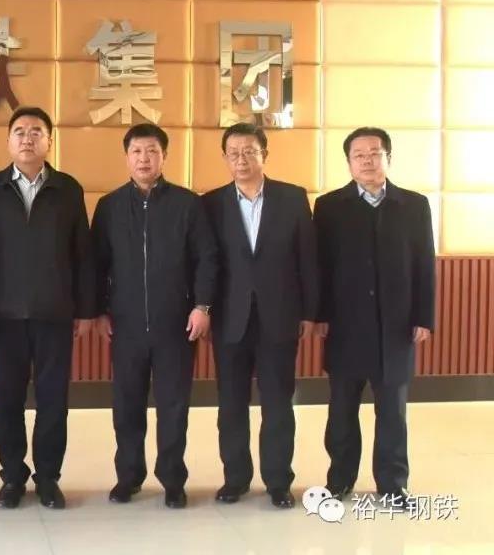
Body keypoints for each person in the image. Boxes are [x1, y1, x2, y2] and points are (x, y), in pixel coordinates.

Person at [0, 107, 94, 510]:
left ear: (49, 141)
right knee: (6, 401)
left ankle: (48, 478)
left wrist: (84, 309)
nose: (28, 138)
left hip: (54, 314)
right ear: (8, 141)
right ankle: (12, 477)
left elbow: (82, 254)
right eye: (20, 131)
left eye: (36, 132)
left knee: (53, 401)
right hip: (3, 315)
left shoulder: (68, 189)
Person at [91, 123, 217, 509]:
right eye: (137, 151)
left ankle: (173, 480)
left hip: (176, 324)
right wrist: (99, 310)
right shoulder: (110, 206)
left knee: (173, 406)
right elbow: (96, 263)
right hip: (126, 325)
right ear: (126, 157)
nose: (144, 159)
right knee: (126, 405)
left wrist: (202, 305)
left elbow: (207, 258)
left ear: (164, 156)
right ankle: (128, 477)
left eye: (152, 151)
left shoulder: (188, 204)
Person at [314, 127, 435, 504]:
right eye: (359, 155)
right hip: (345, 326)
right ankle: (339, 480)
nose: (367, 161)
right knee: (341, 412)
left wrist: (424, 316)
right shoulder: (329, 206)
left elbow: (424, 264)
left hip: (396, 327)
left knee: (393, 414)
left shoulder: (414, 205)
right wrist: (319, 314)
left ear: (388, 158)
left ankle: (393, 484)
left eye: (374, 153)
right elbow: (320, 266)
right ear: (349, 162)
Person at [202, 123, 317, 509]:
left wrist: (310, 312)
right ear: (225, 158)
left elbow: (307, 260)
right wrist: (204, 308)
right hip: (230, 319)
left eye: (249, 151)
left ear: (264, 154)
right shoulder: (211, 203)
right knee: (231, 404)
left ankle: (278, 481)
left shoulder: (292, 198)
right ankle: (235, 479)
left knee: (278, 403)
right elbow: (206, 263)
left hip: (279, 317)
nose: (241, 159)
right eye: (233, 153)